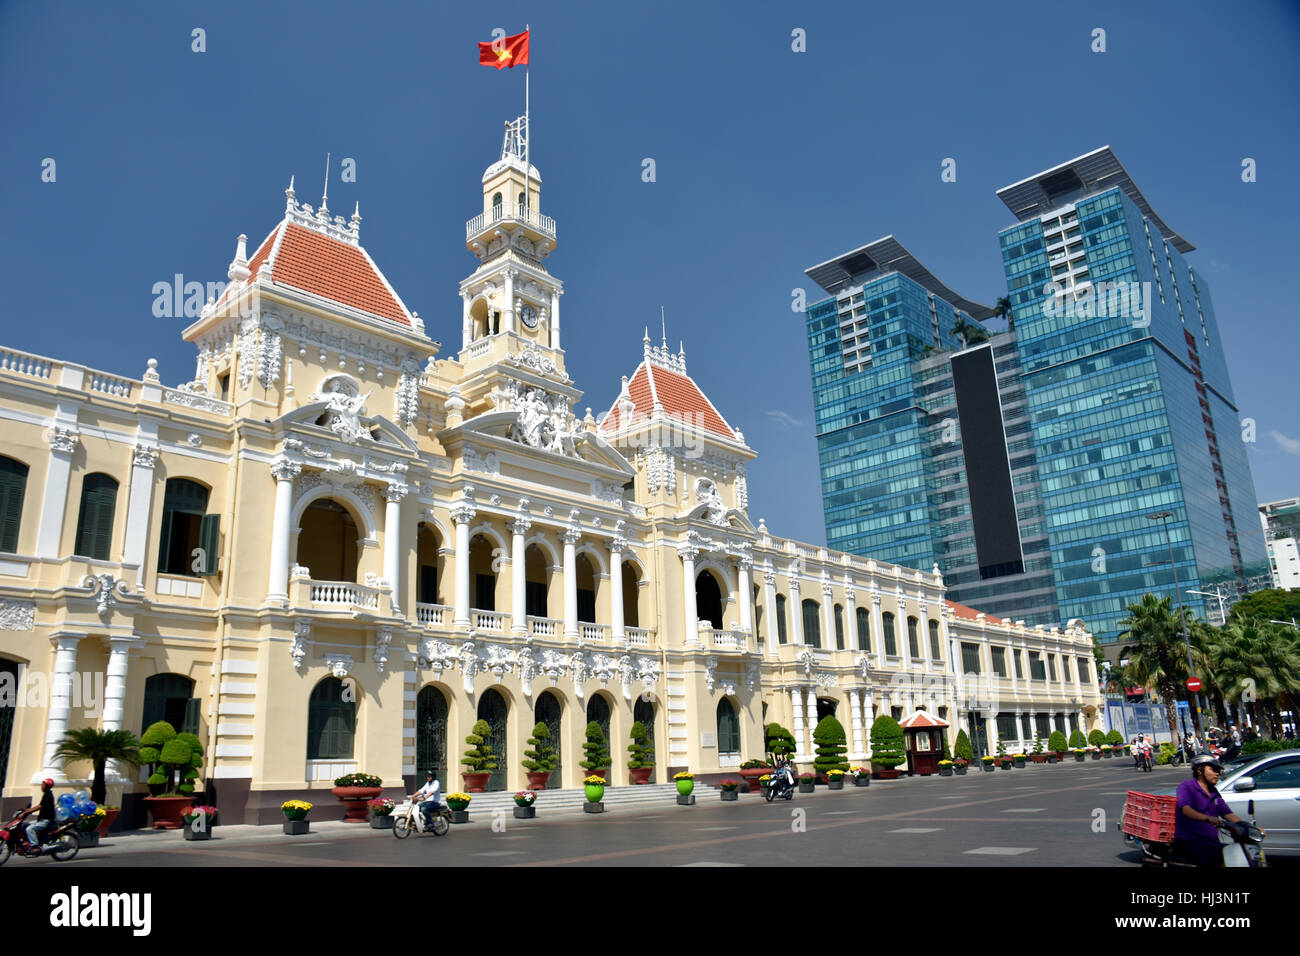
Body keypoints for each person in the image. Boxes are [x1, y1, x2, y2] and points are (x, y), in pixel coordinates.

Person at [1172, 755, 1260, 867]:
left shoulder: (1214, 792)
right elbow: (1186, 810)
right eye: (1213, 770)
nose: (1217, 773)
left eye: (1218, 770)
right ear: (1199, 770)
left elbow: (1228, 814)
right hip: (1190, 840)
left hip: (1211, 842)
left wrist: (1248, 828)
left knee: (1237, 854)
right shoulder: (1187, 786)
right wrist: (1207, 818)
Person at [24, 779, 56, 849]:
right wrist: (28, 810)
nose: (41, 786)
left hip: (45, 820)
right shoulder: (46, 794)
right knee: (26, 825)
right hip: (41, 819)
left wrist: (26, 812)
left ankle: (35, 845)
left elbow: (39, 806)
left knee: (29, 829)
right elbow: (40, 805)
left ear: (47, 786)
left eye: (43, 785)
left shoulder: (48, 796)